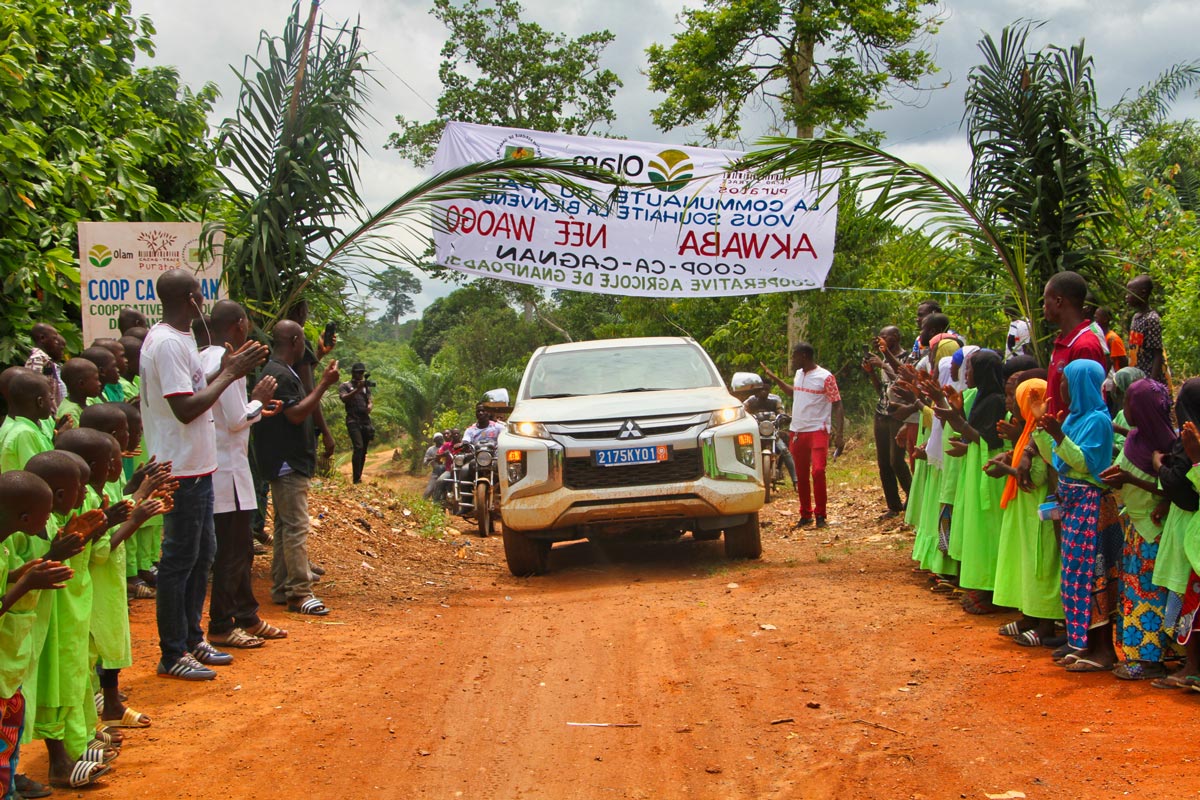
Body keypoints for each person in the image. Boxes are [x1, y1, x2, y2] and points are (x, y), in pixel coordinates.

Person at [140, 269, 267, 681]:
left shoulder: (181, 341)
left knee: (202, 556)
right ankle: (173, 651)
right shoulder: (167, 344)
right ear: (193, 298)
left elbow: (193, 392)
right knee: (179, 562)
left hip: (200, 465)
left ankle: (194, 639)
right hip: (180, 469)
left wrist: (221, 370)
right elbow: (185, 408)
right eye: (200, 294)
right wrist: (230, 374)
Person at [200, 300, 287, 648]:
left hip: (228, 468)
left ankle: (247, 614)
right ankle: (221, 623)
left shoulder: (205, 356)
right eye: (247, 321)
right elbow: (237, 419)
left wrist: (256, 409)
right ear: (238, 324)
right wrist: (257, 399)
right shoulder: (228, 361)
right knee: (232, 552)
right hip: (227, 472)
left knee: (241, 550)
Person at [253, 320, 339, 616]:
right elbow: (296, 414)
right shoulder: (281, 375)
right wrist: (325, 385)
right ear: (293, 340)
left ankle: (280, 587)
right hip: (287, 462)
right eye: (302, 339)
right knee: (296, 527)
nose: (304, 345)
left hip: (283, 461)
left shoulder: (281, 371)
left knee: (283, 526)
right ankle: (299, 592)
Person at [1038, 359, 1119, 672]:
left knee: (1094, 576)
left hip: (1092, 508)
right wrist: (1045, 430)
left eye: (1065, 382)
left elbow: (1085, 463)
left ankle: (1103, 650)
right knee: (1075, 576)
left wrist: (1058, 436)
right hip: (1074, 507)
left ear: (1081, 384)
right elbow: (1059, 460)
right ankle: (1084, 643)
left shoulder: (1098, 420)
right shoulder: (1074, 418)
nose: (1061, 388)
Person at [0, 471, 75, 797]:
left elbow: (6, 577)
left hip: (8, 665)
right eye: (46, 515)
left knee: (9, 736)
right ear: (25, 517)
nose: (49, 521)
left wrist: (25, 571)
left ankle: (11, 788)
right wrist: (26, 584)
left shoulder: (4, 546)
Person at [1099, 379, 1178, 680]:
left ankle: (1151, 659)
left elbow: (1170, 485)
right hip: (1134, 525)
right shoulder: (1136, 438)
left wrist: (1130, 481)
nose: (1124, 409)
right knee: (1133, 591)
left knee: (1150, 595)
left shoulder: (1166, 445)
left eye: (1130, 404)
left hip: (1153, 531)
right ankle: (1139, 655)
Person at [761, 342, 844, 528]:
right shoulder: (799, 374)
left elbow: (837, 404)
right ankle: (805, 514)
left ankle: (821, 514)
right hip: (798, 430)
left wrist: (840, 434)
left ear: (804, 356)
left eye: (795, 356)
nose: (792, 360)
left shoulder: (825, 377)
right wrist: (775, 379)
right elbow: (794, 393)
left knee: (818, 470)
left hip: (818, 430)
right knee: (801, 474)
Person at [863, 326, 911, 518]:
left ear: (896, 337)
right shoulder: (883, 360)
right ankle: (894, 505)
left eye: (885, 336)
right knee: (883, 462)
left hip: (899, 413)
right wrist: (872, 372)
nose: (881, 339)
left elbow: (902, 381)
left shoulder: (907, 358)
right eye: (880, 336)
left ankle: (912, 498)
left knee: (896, 460)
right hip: (882, 412)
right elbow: (882, 389)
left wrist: (883, 365)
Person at [0, 370, 54, 472]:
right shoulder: (24, 433)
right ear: (40, 402)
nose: (52, 404)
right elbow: (36, 473)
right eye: (50, 398)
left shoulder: (31, 427)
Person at [1125, 274, 1165, 384]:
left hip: (1148, 379)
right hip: (1136, 377)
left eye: (1130, 292)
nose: (1126, 296)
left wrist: (1151, 383)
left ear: (1143, 293)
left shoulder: (1151, 319)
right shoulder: (1136, 317)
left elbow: (1157, 354)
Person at [338, 363, 375, 484]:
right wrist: (357, 390)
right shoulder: (345, 386)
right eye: (358, 372)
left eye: (362, 373)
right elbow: (344, 398)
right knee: (358, 447)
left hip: (365, 420)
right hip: (353, 420)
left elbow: (369, 400)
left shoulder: (365, 387)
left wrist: (369, 406)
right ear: (353, 373)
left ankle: (358, 477)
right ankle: (356, 479)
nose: (360, 375)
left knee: (363, 450)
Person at [25, 323, 67, 412]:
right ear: (42, 338)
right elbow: (34, 386)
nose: (56, 342)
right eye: (54, 339)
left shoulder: (46, 360)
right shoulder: (36, 358)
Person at [56, 358, 102, 430]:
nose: (99, 384)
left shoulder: (89, 401)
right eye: (96, 380)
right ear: (81, 383)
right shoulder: (70, 413)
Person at [422, 432, 446, 500]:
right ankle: (423, 503)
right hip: (436, 472)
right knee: (428, 490)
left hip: (447, 471)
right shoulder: (431, 449)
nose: (440, 440)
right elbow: (425, 461)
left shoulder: (446, 447)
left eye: (441, 438)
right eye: (438, 439)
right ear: (434, 441)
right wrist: (433, 459)